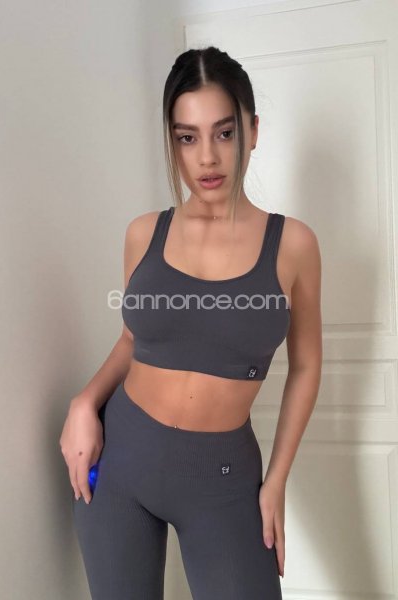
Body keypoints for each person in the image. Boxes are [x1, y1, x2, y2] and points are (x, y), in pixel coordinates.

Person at [59, 46, 322, 600]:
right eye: (187, 137)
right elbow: (133, 339)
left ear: (253, 130)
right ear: (172, 141)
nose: (207, 157)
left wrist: (276, 479)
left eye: (224, 133)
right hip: (120, 461)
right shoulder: (143, 234)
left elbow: (306, 365)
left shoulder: (293, 244)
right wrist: (85, 403)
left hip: (223, 480)